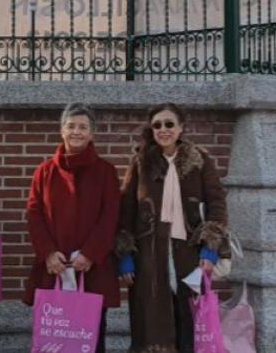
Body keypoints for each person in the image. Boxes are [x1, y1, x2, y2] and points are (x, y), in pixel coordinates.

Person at [117, 103, 229, 353]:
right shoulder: (141, 161)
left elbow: (217, 203)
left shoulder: (199, 160)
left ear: (181, 128)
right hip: (149, 253)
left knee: (188, 314)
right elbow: (126, 209)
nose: (163, 129)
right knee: (151, 322)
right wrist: (124, 254)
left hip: (189, 251)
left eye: (169, 124)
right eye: (157, 125)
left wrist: (210, 248)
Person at [25, 103, 121, 353]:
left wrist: (90, 253)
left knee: (92, 339)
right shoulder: (44, 172)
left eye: (83, 127)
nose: (76, 131)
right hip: (54, 266)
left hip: (92, 268)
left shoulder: (106, 172)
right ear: (62, 131)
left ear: (91, 133)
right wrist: (47, 252)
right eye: (71, 126)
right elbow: (34, 214)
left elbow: (110, 216)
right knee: (55, 340)